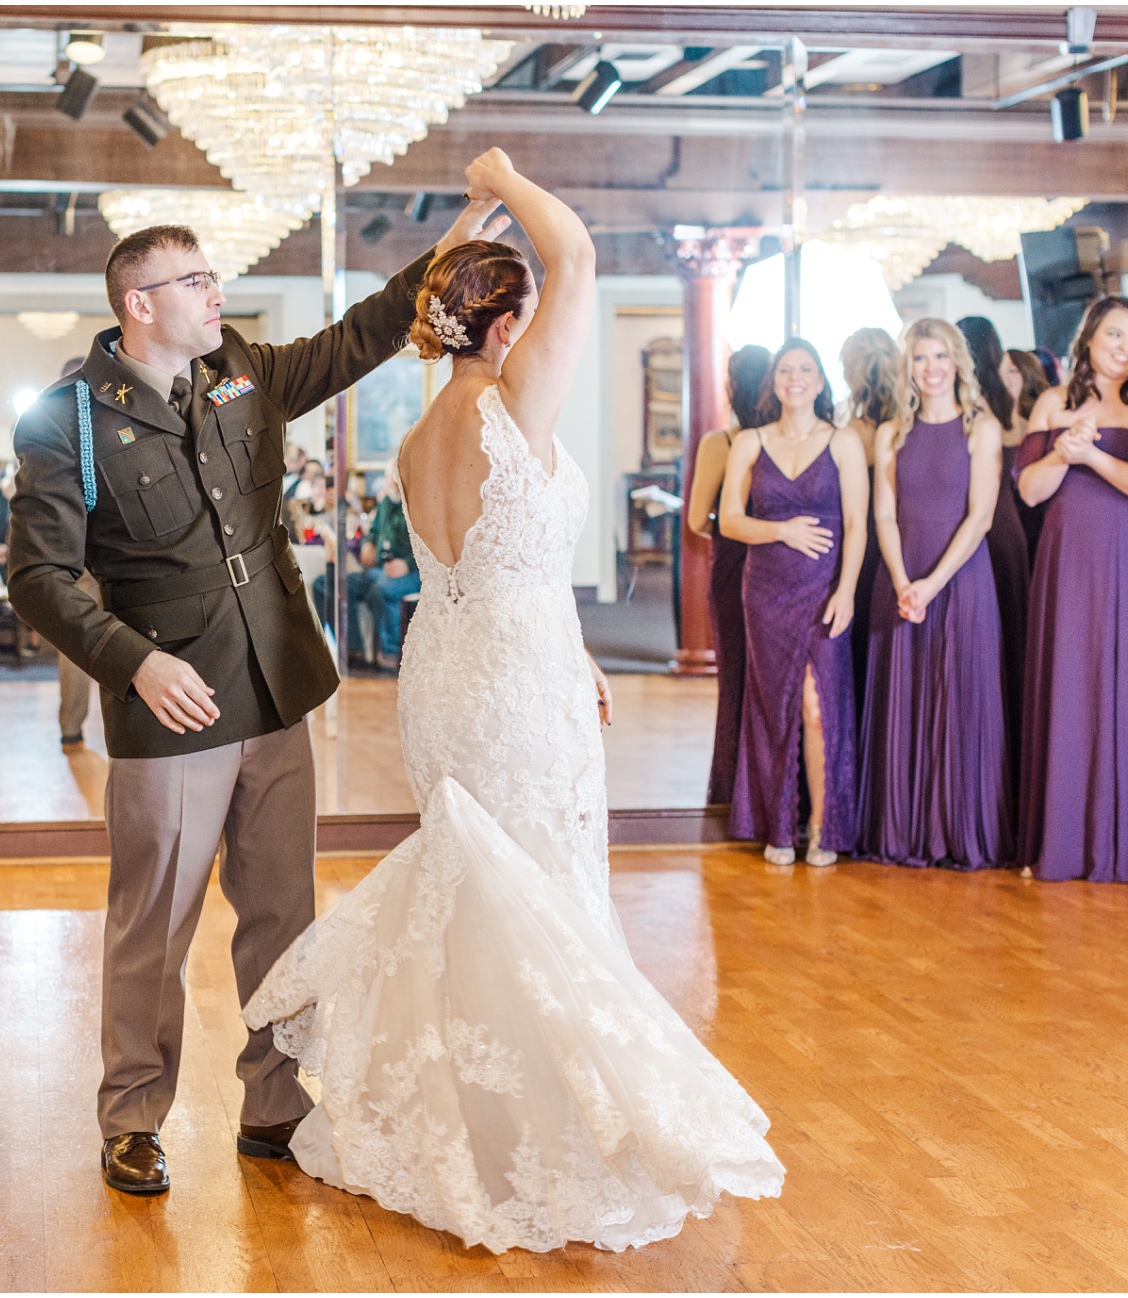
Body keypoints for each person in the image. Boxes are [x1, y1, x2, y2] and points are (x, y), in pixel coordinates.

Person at [243, 149, 782, 1253]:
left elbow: (500, 565)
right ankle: (546, 1135)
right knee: (543, 893)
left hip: (452, 669)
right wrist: (505, 173)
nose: (540, 337)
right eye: (524, 317)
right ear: (499, 330)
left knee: (486, 891)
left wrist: (575, 647)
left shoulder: (416, 436)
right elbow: (575, 249)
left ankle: (473, 1122)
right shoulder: (512, 403)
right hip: (512, 681)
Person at [5, 184, 498, 1200]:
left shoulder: (243, 371)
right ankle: (133, 1115)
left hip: (277, 689)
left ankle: (275, 1102)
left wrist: (444, 255)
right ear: (138, 303)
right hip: (171, 707)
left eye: (211, 275)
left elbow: (360, 336)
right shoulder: (68, 422)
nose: (213, 291)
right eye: (193, 280)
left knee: (283, 914)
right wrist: (132, 659)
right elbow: (39, 578)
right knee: (155, 927)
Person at [1016, 295, 1128, 883]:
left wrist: (1092, 455)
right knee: (1072, 682)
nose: (1127, 347)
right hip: (1068, 557)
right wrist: (1064, 457)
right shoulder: (1050, 403)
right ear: (1089, 337)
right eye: (1116, 334)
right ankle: (1064, 839)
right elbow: (1031, 493)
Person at [858, 320, 1011, 869]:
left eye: (941, 356)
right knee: (906, 696)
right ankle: (902, 832)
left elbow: (981, 517)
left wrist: (933, 583)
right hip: (900, 579)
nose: (931, 368)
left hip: (962, 580)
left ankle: (956, 833)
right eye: (921, 358)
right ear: (909, 368)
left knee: (958, 700)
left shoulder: (982, 428)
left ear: (957, 363)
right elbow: (883, 512)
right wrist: (902, 582)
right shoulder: (890, 432)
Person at [721, 338, 869, 867]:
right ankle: (776, 825)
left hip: (826, 586)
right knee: (772, 705)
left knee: (815, 706)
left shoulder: (843, 441)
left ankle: (822, 825)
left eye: (806, 368)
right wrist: (781, 530)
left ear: (821, 381)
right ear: (775, 382)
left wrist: (848, 590)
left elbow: (856, 524)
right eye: (786, 370)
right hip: (765, 589)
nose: (795, 377)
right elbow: (730, 520)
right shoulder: (749, 442)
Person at [681, 343, 772, 804]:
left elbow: (698, 520)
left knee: (736, 674)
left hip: (735, 561)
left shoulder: (723, 442)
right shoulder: (785, 438)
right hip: (780, 561)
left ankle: (734, 787)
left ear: (733, 386)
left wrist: (732, 523)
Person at [956, 316, 1032, 778]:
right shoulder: (1010, 408)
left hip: (980, 526)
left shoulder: (968, 409)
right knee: (1009, 637)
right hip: (1011, 527)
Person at [839, 327, 902, 716]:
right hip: (899, 538)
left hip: (863, 539)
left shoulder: (851, 433)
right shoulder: (909, 425)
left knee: (859, 642)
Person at [343, 463, 420, 668]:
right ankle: (354, 648)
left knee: (381, 591)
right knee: (339, 584)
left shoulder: (418, 502)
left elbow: (428, 543)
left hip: (414, 572)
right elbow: (374, 530)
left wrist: (407, 564)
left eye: (391, 478)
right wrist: (368, 543)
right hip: (382, 568)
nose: (388, 482)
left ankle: (392, 653)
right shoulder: (386, 500)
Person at [1000, 348, 1053, 556]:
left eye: (1013, 370)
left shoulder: (1042, 422)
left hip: (1034, 519)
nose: (1005, 377)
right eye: (1001, 370)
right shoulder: (987, 424)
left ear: (1027, 374)